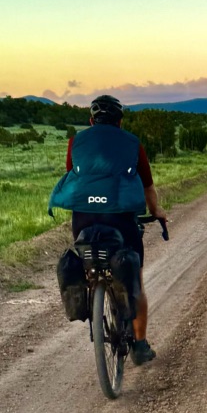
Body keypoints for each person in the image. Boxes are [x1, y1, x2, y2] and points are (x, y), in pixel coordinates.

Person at [49, 95, 168, 365]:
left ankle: (94, 285)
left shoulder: (75, 142)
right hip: (121, 220)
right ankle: (139, 346)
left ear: (91, 121)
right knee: (134, 277)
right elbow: (147, 186)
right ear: (120, 122)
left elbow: (75, 179)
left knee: (88, 256)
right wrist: (156, 211)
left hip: (83, 220)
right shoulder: (132, 143)